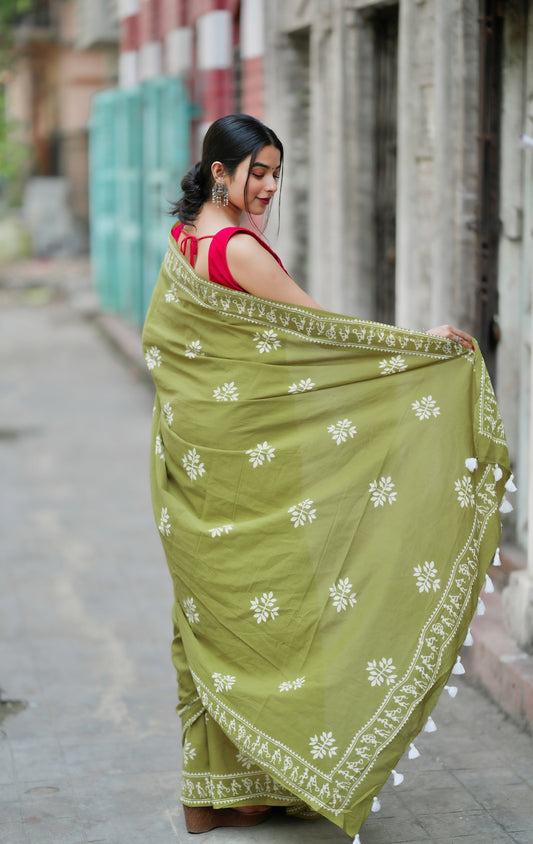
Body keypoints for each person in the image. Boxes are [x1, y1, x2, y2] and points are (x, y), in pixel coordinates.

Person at [142, 114, 510, 839]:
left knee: (220, 621)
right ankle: (265, 779)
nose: (269, 186)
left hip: (200, 463)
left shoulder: (184, 241)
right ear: (220, 171)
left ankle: (224, 790)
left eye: (276, 172)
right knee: (283, 610)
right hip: (249, 472)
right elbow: (329, 337)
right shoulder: (237, 249)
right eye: (258, 172)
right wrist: (422, 348)